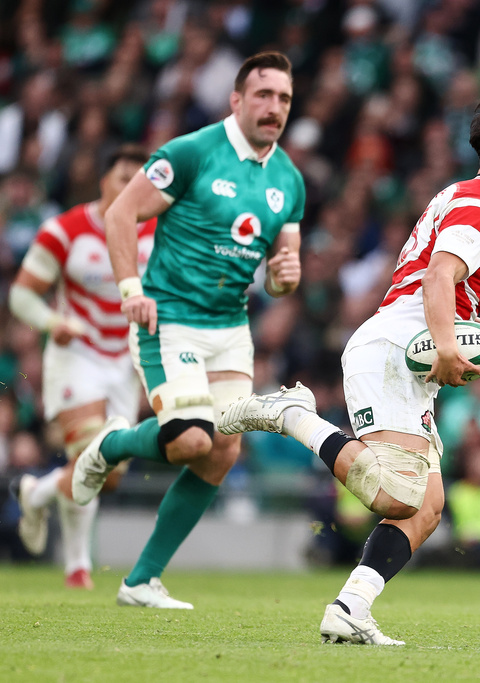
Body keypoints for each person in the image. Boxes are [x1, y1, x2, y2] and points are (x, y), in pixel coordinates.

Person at [218, 88, 480, 644]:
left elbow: (445, 302)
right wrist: (450, 350)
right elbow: (436, 280)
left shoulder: (472, 199)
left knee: (425, 507)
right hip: (390, 353)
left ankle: (351, 606)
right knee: (395, 494)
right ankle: (293, 415)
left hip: (406, 352)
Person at [70, 51, 305, 609]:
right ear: (237, 100)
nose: (274, 108)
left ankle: (140, 580)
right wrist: (131, 290)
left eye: (284, 99)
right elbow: (121, 213)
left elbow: (281, 271)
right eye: (264, 95)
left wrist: (284, 276)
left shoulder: (290, 180)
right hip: (169, 317)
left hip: (229, 327)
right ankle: (110, 445)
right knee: (191, 440)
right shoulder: (193, 152)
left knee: (222, 451)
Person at [10, 144, 154, 589]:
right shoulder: (65, 229)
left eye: (138, 183)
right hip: (77, 356)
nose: (129, 190)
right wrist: (53, 322)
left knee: (106, 475)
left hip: (125, 363)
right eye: (121, 180)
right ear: (103, 182)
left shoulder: (154, 232)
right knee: (90, 454)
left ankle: (35, 493)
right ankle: (78, 568)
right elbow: (21, 295)